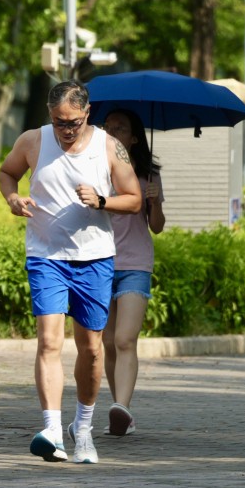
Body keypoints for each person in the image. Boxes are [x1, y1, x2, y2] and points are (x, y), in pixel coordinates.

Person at [0, 80, 141, 465]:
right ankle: (51, 428)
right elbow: (7, 173)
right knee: (48, 341)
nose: (66, 130)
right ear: (50, 114)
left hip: (94, 259)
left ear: (87, 113)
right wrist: (13, 197)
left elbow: (134, 199)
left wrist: (103, 200)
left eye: (73, 122)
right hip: (46, 256)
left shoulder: (109, 147)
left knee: (92, 349)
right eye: (60, 122)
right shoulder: (33, 141)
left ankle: (83, 429)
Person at [100, 109, 165, 437]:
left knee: (125, 338)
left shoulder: (149, 175)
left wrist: (154, 203)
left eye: (119, 129)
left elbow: (157, 227)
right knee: (108, 342)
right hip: (98, 263)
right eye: (107, 128)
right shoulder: (95, 168)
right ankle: (119, 409)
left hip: (135, 264)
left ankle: (122, 407)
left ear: (134, 137)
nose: (111, 133)